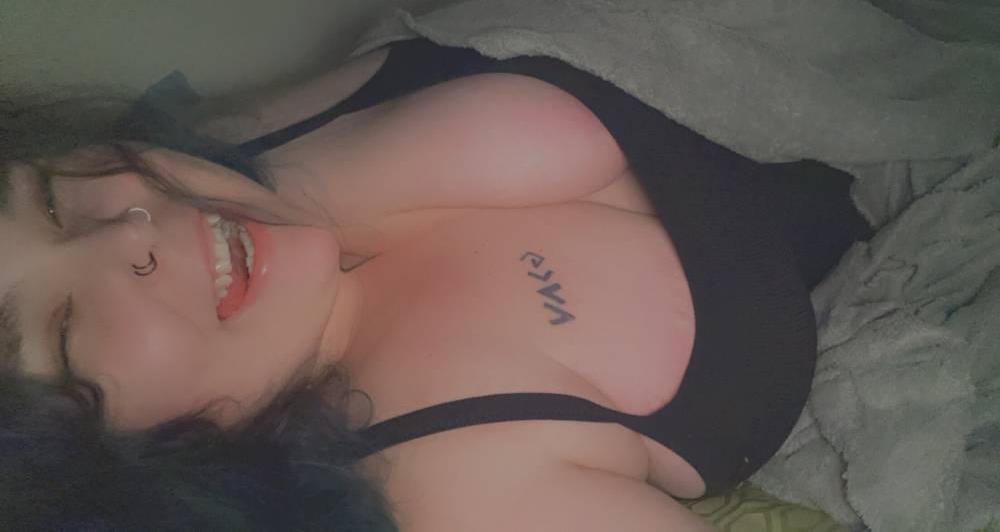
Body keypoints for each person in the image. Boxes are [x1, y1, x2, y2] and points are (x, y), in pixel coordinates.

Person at [1, 35, 874, 531]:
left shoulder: (224, 144)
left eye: (49, 197)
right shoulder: (460, 486)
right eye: (65, 325)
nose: (124, 229)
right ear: (110, 471)